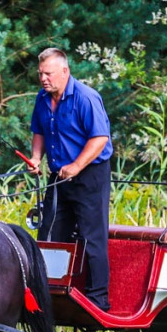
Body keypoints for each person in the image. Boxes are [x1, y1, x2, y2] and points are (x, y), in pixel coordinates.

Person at [26, 47, 113, 311]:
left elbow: (100, 139)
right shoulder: (42, 98)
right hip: (58, 178)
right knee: (49, 235)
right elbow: (39, 130)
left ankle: (98, 302)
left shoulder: (86, 97)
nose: (43, 79)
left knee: (92, 238)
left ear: (65, 71)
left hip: (90, 176)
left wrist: (76, 166)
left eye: (48, 73)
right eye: (41, 73)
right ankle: (48, 297)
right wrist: (35, 158)